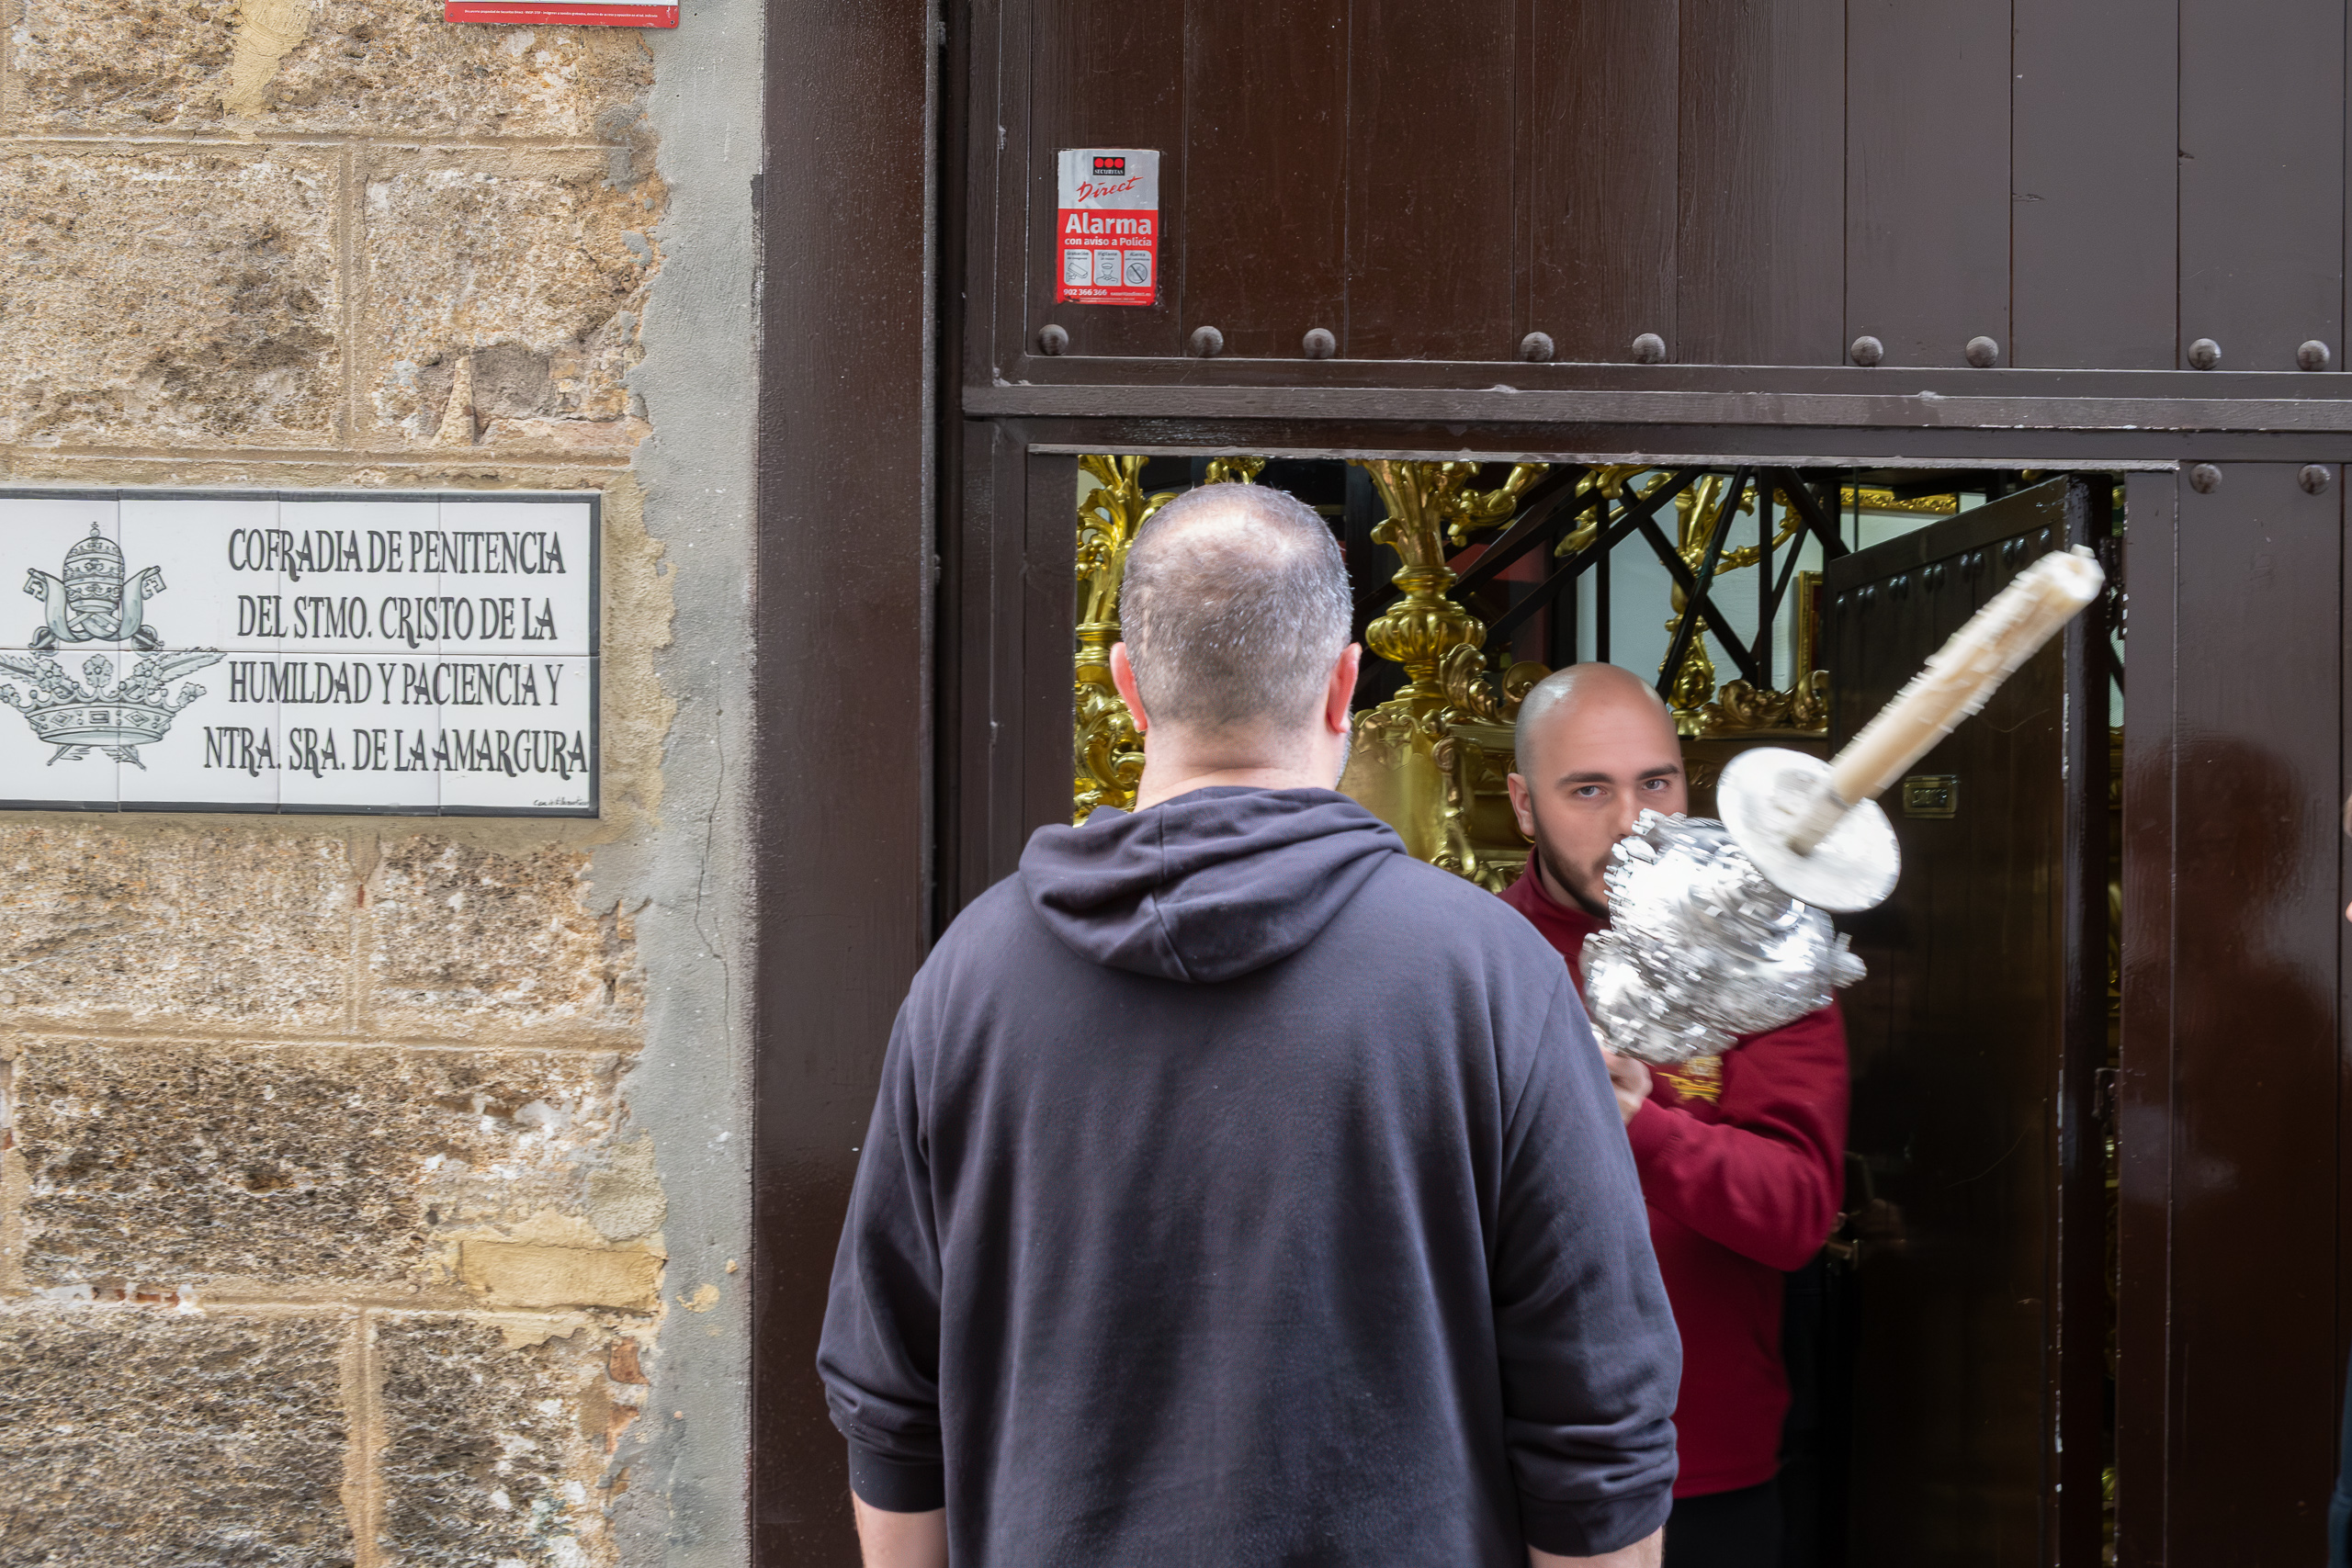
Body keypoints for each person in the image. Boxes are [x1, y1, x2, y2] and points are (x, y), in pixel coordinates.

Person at [817, 482, 1680, 1568]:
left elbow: (890, 1402)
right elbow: (1595, 1416)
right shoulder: (1490, 975)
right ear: (1343, 686)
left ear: (1130, 689)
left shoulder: (970, 980)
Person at [1502, 663, 1849, 1568]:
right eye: (1587, 790)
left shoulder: (1764, 950)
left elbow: (1795, 1216)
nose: (1633, 823)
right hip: (1498, 1459)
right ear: (1524, 804)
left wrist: (1640, 1124)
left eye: (1655, 781)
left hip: (1705, 1468)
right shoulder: (1470, 958)